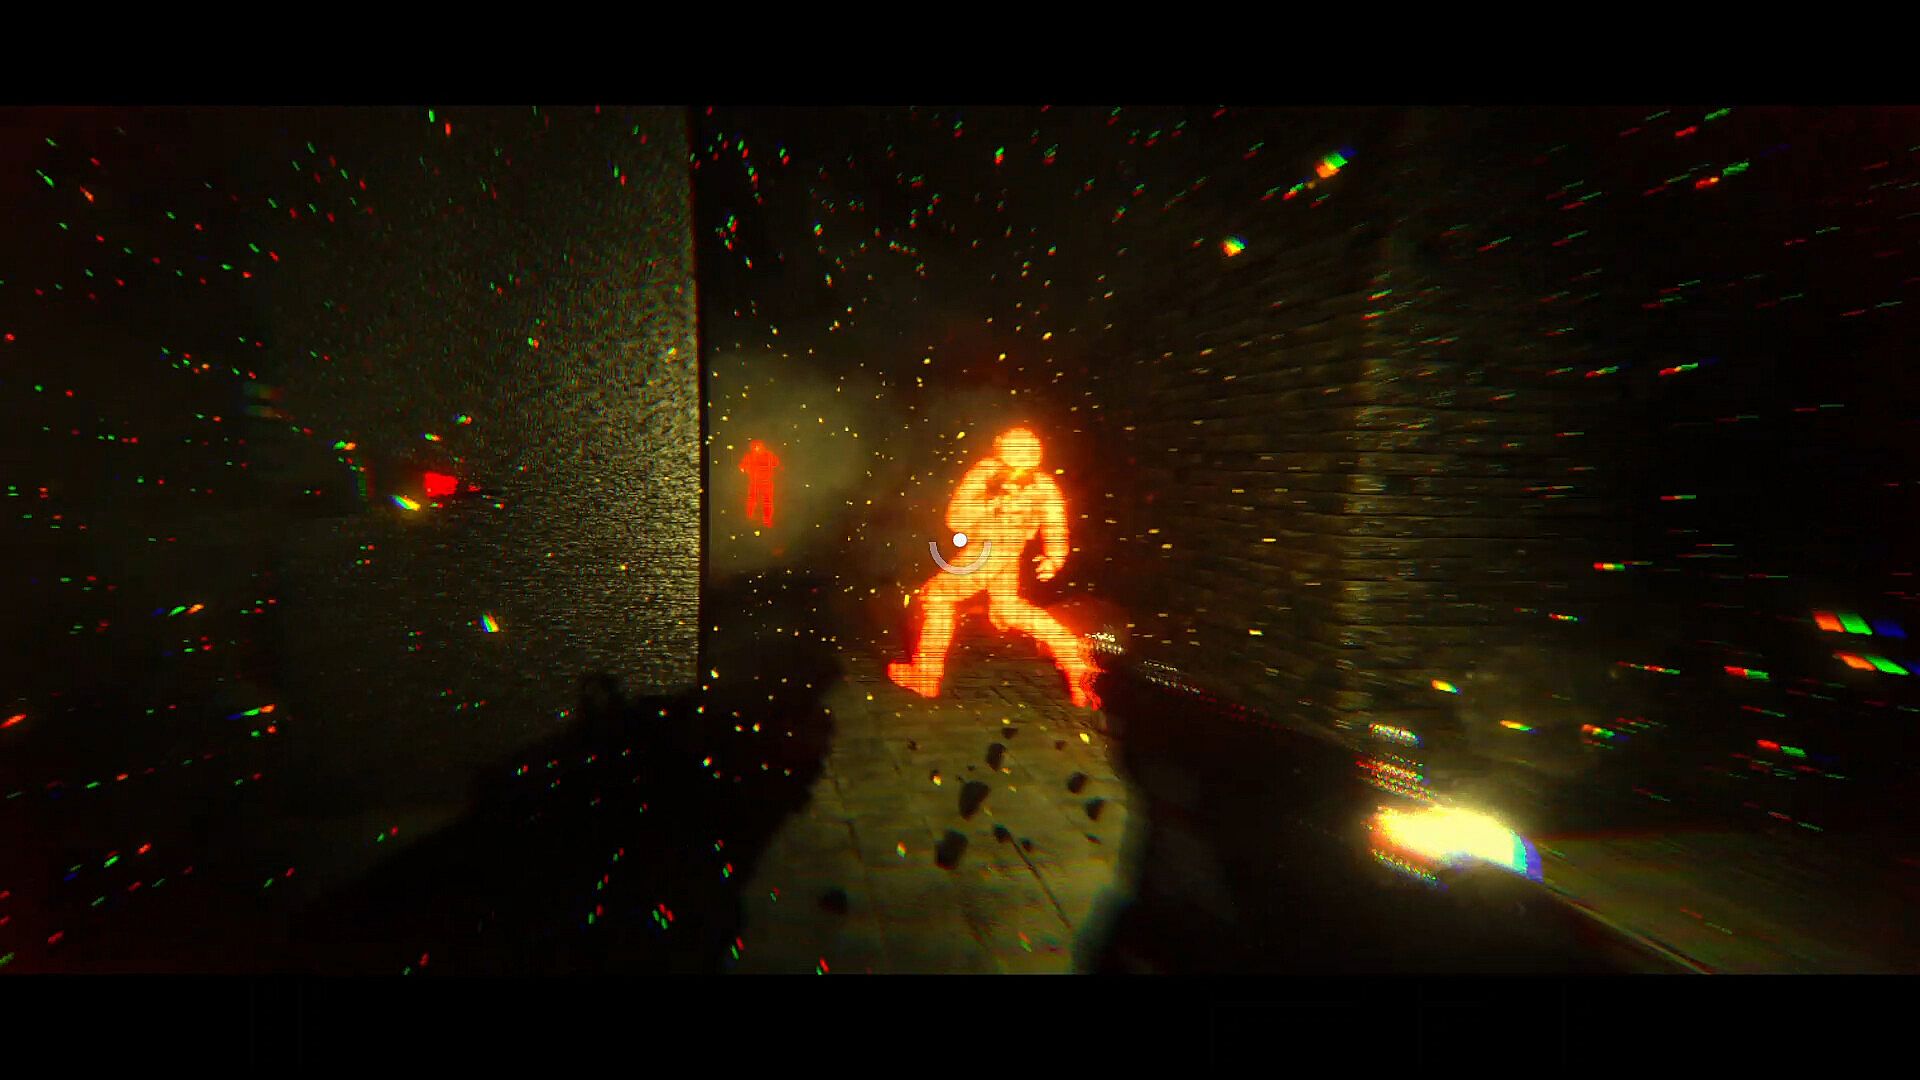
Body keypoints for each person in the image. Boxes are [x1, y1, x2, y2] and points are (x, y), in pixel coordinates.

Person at [888, 427, 1101, 709]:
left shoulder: (995, 473)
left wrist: (1051, 553)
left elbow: (956, 519)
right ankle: (1073, 655)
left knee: (937, 596)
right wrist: (1053, 557)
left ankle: (926, 675)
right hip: (1007, 554)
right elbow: (1054, 524)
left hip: (987, 552)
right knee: (1008, 609)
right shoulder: (1033, 482)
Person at [740, 440, 780, 528]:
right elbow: (742, 467)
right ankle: (750, 517)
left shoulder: (768, 455)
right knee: (752, 499)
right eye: (754, 446)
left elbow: (776, 463)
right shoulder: (749, 456)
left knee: (767, 501)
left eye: (758, 446)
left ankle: (767, 520)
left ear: (762, 446)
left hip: (766, 482)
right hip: (754, 482)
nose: (756, 448)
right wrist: (745, 469)